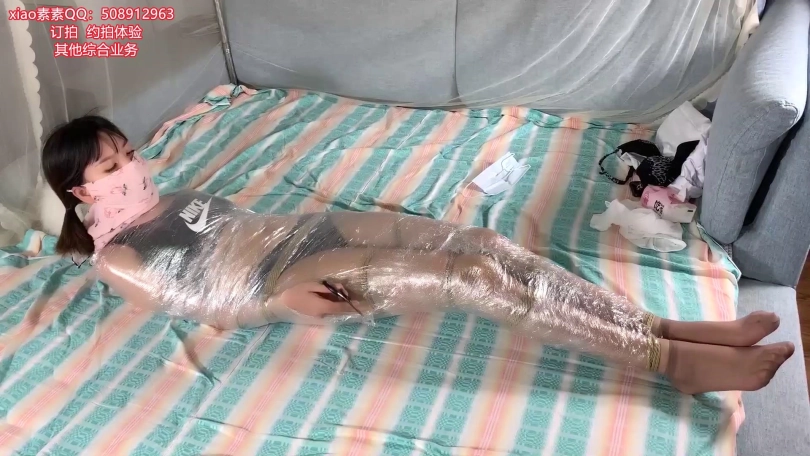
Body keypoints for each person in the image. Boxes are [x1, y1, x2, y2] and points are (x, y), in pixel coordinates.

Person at [41, 115, 794, 395]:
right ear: (80, 191)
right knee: (471, 278)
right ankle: (668, 361)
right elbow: (205, 300)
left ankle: (663, 327)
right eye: (112, 165)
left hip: (303, 230)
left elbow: (242, 224)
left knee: (485, 242)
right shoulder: (118, 257)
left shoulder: (171, 197)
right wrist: (279, 302)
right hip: (279, 275)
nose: (132, 167)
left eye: (129, 151)